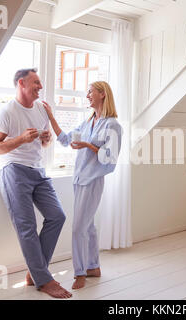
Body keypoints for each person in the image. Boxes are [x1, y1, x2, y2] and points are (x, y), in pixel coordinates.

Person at [0, 68, 72, 299]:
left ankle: (36, 273)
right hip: (13, 170)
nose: (40, 87)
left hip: (38, 170)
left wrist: (46, 140)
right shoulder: (6, 111)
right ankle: (44, 279)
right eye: (36, 82)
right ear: (22, 83)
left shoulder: (41, 109)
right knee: (26, 226)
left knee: (58, 216)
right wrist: (20, 139)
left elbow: (44, 144)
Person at [42, 81, 122, 289]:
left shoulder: (112, 125)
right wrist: (51, 117)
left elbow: (110, 158)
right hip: (78, 179)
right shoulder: (88, 122)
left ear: (102, 94)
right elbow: (66, 139)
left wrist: (88, 145)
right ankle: (93, 266)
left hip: (92, 181)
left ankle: (80, 273)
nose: (87, 95)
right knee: (88, 226)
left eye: (90, 91)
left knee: (78, 228)